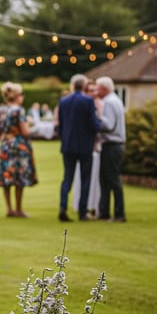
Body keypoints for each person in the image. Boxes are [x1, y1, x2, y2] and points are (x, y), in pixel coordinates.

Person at [57, 74, 102, 222]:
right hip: (84, 145)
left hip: (68, 145)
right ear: (84, 86)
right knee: (85, 179)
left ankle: (63, 207)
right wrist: (101, 125)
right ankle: (82, 212)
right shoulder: (88, 101)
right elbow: (93, 124)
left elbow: (60, 125)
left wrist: (64, 139)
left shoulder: (64, 101)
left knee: (67, 178)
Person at [0, 82, 37, 218]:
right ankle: (18, 209)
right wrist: (33, 127)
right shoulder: (19, 110)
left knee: (6, 176)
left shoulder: (0, 110)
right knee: (19, 177)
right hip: (18, 146)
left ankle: (9, 208)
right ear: (17, 96)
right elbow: (25, 132)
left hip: (5, 145)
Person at [95, 76, 127, 222]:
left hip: (112, 145)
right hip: (113, 145)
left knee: (112, 179)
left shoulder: (109, 102)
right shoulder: (115, 100)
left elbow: (109, 125)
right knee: (105, 179)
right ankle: (104, 211)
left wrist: (95, 122)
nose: (95, 91)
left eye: (97, 87)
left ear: (104, 88)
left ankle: (119, 214)